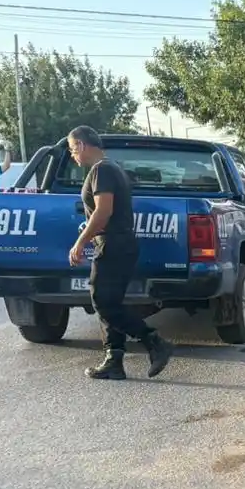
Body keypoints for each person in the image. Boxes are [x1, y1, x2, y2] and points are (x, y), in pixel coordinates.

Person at [66, 126, 175, 381]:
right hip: (119, 244)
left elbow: (103, 212)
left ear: (82, 145)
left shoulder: (102, 170)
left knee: (102, 302)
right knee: (109, 302)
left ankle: (154, 341)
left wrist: (80, 242)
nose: (73, 156)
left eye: (73, 149)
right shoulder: (111, 168)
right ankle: (113, 360)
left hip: (114, 245)